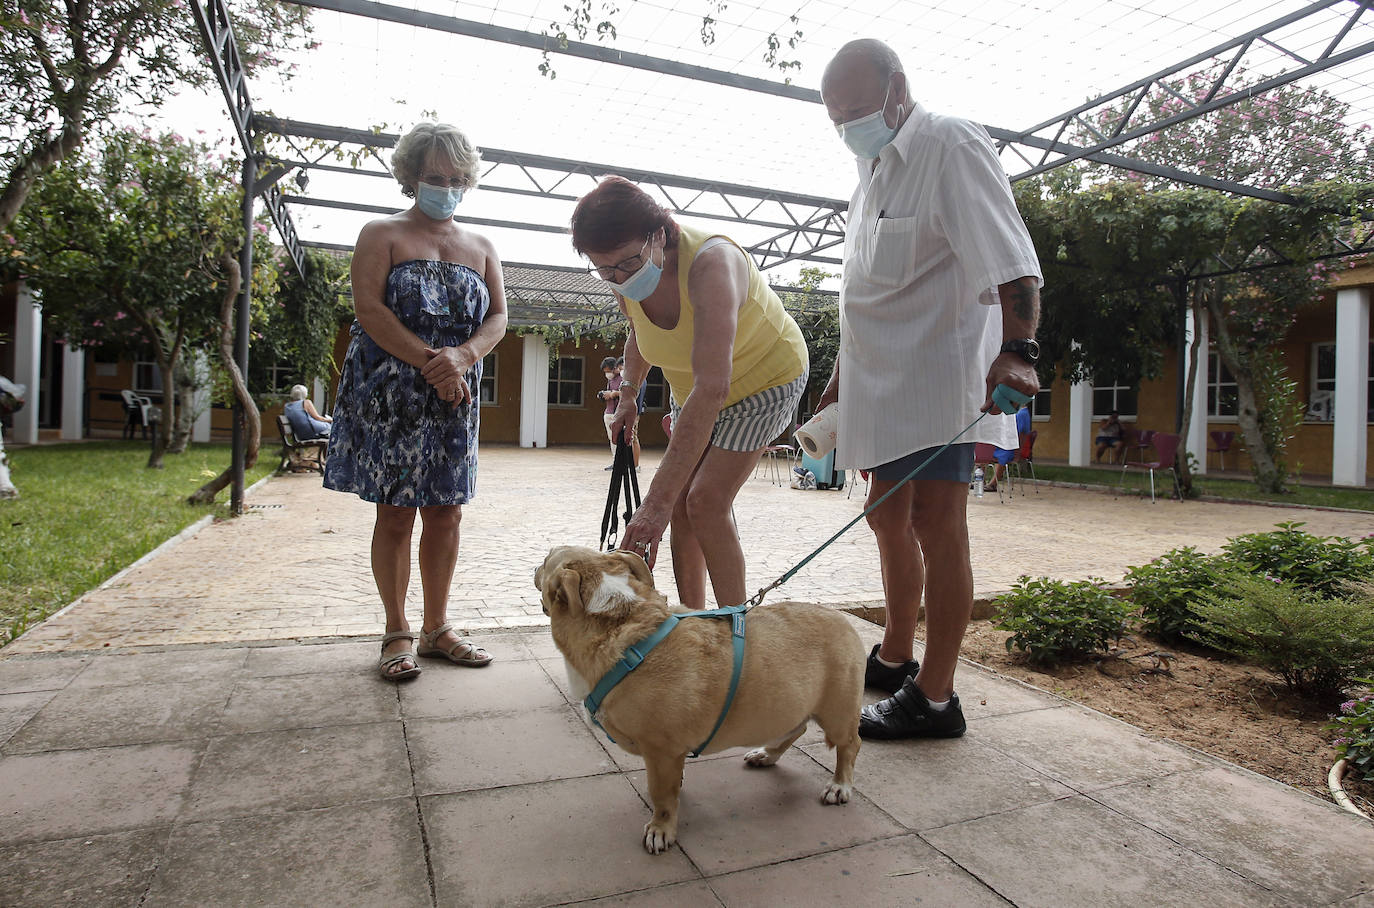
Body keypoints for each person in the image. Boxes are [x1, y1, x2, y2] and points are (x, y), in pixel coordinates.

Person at [818, 39, 1042, 739]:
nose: (849, 127)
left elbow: (1013, 261)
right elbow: (864, 294)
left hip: (940, 380)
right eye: (837, 118)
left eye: (857, 111)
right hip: (879, 385)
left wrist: (1017, 350)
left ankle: (937, 698)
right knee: (885, 518)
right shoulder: (872, 172)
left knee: (936, 526)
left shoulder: (950, 146)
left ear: (897, 90)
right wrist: (836, 381)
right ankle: (894, 652)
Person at [323, 122, 509, 681]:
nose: (445, 187)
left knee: (447, 511)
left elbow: (499, 316)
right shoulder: (381, 233)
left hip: (453, 395)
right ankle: (396, 631)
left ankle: (437, 628)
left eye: (456, 178)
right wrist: (437, 362)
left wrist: (463, 358)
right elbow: (370, 312)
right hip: (392, 394)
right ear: (410, 176)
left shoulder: (481, 247)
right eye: (434, 177)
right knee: (397, 511)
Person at [570, 176, 808, 611]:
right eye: (604, 269)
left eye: (626, 263)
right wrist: (628, 394)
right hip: (694, 387)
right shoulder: (625, 279)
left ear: (659, 235)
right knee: (679, 505)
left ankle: (738, 630)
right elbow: (639, 335)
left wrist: (651, 508)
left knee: (705, 500)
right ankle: (694, 624)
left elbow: (714, 387)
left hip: (763, 377)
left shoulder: (713, 264)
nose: (618, 277)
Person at [987, 403, 1031, 492]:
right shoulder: (1015, 412)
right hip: (1010, 444)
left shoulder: (1022, 414)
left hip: (1015, 447)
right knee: (988, 450)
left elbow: (1022, 434)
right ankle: (980, 481)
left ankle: (993, 484)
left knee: (1003, 453)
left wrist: (1018, 450)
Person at [597, 356, 622, 469]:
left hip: (618, 413)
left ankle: (622, 462)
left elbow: (626, 393)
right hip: (609, 411)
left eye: (608, 371)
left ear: (615, 368)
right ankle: (615, 461)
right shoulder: (610, 380)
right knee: (612, 438)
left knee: (620, 438)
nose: (607, 374)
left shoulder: (622, 378)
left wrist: (613, 394)